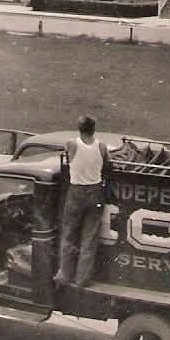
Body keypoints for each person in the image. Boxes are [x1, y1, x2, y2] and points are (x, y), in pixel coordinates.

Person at [53, 115, 112, 289]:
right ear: (94, 129)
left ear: (79, 128)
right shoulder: (101, 146)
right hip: (95, 192)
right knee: (89, 237)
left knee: (69, 235)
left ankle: (65, 275)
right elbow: (108, 165)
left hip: (76, 191)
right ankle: (82, 278)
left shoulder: (71, 144)